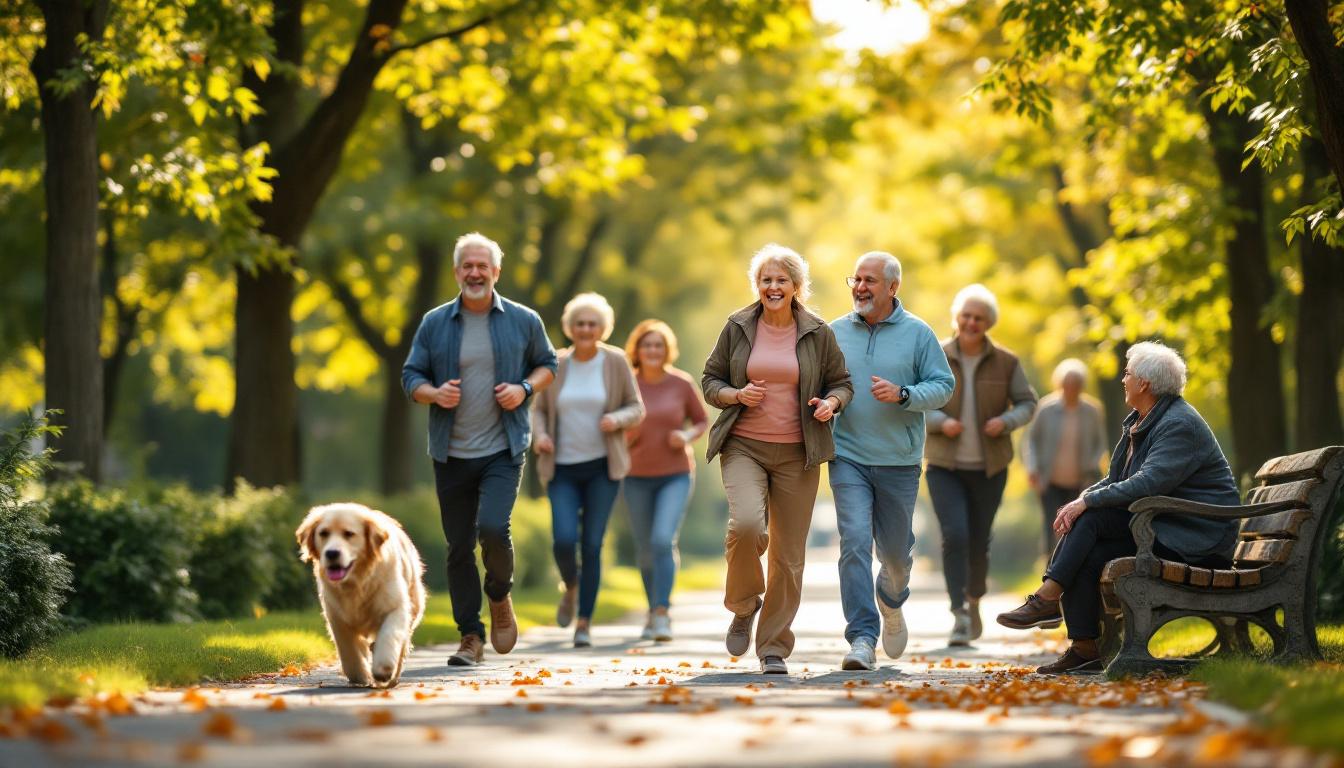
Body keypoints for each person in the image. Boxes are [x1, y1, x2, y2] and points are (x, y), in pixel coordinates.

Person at [996, 341, 1241, 674]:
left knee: (1092, 518)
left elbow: (1148, 482)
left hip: (1196, 537)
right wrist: (1078, 502)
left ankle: (1048, 597)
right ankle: (1084, 648)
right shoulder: (1142, 420)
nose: (1123, 379)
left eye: (1128, 374)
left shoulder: (1178, 424)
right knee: (1088, 548)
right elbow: (1115, 478)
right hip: (1165, 526)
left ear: (1145, 384)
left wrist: (1087, 502)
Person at [402, 232, 557, 667]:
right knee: (457, 547)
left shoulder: (523, 319)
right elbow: (410, 376)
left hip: (503, 447)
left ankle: (499, 595)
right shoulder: (435, 322)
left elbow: (548, 364)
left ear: (496, 272)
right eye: (467, 266)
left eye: (482, 265)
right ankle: (470, 635)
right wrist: (433, 394)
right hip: (450, 451)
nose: (474, 272)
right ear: (457, 272)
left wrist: (524, 388)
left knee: (492, 527)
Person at [701, 243, 853, 675]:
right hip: (744, 444)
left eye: (781, 280)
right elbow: (710, 379)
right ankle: (745, 605)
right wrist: (736, 394)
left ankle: (773, 647)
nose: (773, 286)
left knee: (788, 556)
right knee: (747, 524)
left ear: (796, 286)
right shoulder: (738, 325)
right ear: (758, 285)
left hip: (798, 453)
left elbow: (842, 382)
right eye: (766, 280)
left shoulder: (817, 331)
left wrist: (832, 404)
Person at [829, 252, 955, 670]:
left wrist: (904, 395)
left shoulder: (919, 334)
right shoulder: (833, 333)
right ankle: (862, 638)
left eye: (870, 280)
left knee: (897, 558)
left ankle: (892, 599)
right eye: (856, 279)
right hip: (847, 456)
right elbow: (817, 380)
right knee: (853, 542)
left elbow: (943, 387)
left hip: (899, 460)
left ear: (892, 287)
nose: (860, 287)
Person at [925, 284, 1038, 646]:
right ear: (956, 318)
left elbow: (1027, 402)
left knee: (978, 540)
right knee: (954, 535)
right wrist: (941, 422)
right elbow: (914, 402)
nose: (971, 322)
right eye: (966, 316)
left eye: (979, 318)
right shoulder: (935, 354)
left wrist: (1005, 422)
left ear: (989, 323)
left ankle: (974, 598)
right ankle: (958, 612)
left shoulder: (1006, 361)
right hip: (945, 464)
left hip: (990, 466)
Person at [531, 293, 645, 648]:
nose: (585, 329)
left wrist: (617, 419)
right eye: (579, 323)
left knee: (592, 544)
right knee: (563, 540)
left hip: (602, 468)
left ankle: (584, 621)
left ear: (602, 328)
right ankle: (572, 586)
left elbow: (636, 407)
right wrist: (542, 435)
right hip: (562, 466)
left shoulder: (615, 362)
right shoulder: (557, 364)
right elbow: (537, 410)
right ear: (570, 327)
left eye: (592, 324)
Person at [622, 319, 709, 642]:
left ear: (666, 350)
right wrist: (624, 435)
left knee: (662, 540)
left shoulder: (681, 383)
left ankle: (661, 612)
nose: (653, 350)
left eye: (658, 345)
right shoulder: (626, 384)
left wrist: (686, 435)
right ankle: (651, 609)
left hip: (675, 474)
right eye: (647, 345)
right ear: (638, 350)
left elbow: (701, 421)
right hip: (635, 475)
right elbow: (611, 424)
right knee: (645, 549)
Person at [1024, 359, 1108, 556]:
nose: (1071, 389)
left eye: (1076, 386)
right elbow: (1031, 441)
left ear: (1082, 387)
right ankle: (1049, 572)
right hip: (1049, 481)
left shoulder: (1092, 411)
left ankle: (1068, 570)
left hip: (1081, 482)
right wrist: (1032, 468)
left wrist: (1092, 465)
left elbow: (1100, 444)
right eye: (1067, 385)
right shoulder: (1046, 408)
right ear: (1060, 385)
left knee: (1074, 527)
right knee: (1051, 526)